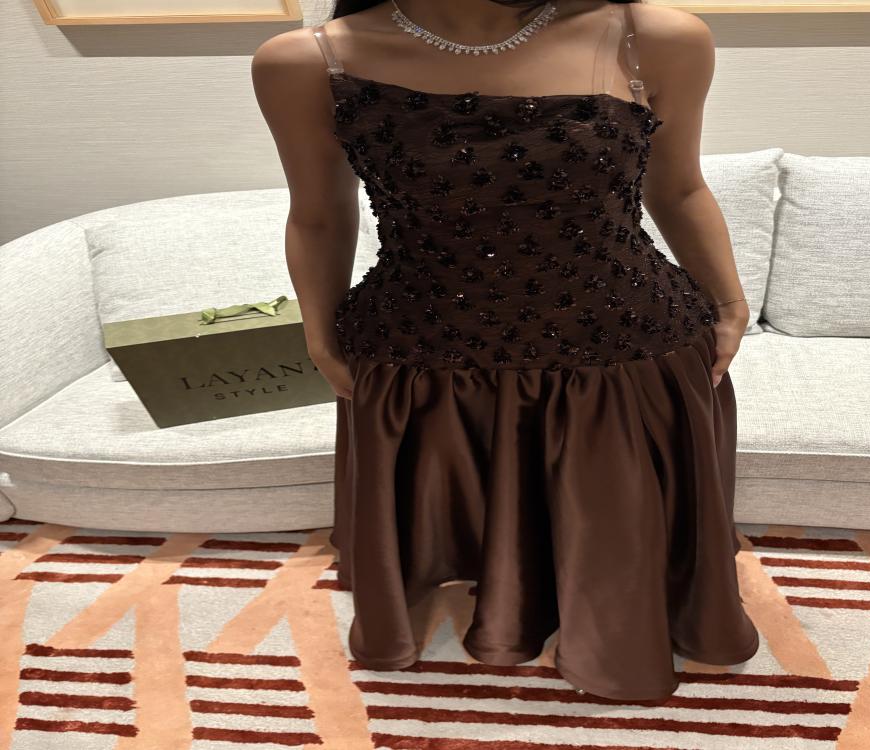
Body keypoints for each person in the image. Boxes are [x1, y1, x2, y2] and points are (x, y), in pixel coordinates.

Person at [252, 0, 758, 702]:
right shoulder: (306, 61)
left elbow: (677, 185)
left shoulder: (654, 36)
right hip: (422, 354)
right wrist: (318, 329)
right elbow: (317, 214)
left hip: (620, 350)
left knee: (616, 538)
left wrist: (730, 301)